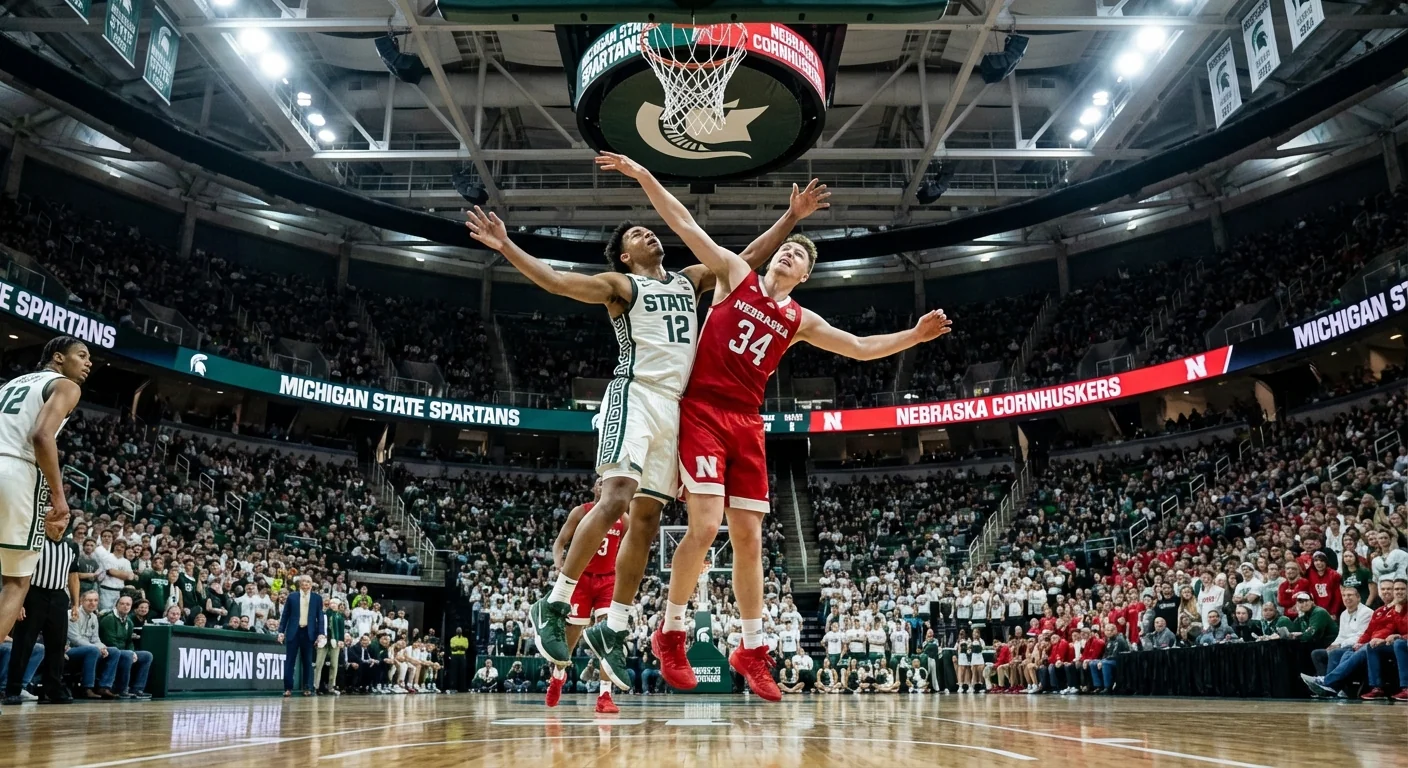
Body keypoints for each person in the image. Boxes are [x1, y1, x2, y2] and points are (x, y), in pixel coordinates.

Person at [604, 153, 950, 704]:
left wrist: (913, 336)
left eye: (797, 257)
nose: (788, 253)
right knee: (705, 524)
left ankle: (753, 647)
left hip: (747, 422)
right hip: (702, 412)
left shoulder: (801, 319)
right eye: (786, 248)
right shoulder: (734, 277)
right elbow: (685, 224)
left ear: (805, 275)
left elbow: (860, 348)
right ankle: (670, 631)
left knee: (750, 538)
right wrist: (644, 176)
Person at [466, 179, 826, 686]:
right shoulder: (621, 287)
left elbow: (743, 261)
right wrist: (507, 246)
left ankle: (614, 629)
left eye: (649, 230)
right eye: (636, 234)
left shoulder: (687, 281)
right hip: (635, 394)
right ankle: (555, 602)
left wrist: (790, 220)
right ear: (624, 256)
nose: (649, 234)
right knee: (614, 496)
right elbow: (555, 281)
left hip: (677, 411)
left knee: (649, 518)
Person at [0, 337, 89, 650]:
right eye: (82, 355)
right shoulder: (65, 385)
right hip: (15, 471)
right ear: (58, 358)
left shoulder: (11, 384)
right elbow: (41, 435)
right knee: (16, 581)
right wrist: (58, 496)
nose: (88, 363)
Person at [544, 479, 625, 714]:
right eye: (600, 483)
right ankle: (558, 676)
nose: (604, 486)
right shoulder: (582, 512)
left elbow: (634, 545)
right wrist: (559, 563)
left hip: (608, 580)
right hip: (580, 578)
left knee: (608, 636)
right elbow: (560, 542)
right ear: (594, 488)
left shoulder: (623, 517)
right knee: (570, 637)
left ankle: (605, 695)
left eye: (607, 483)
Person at [4, 515, 78, 704]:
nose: (61, 527)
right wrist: (18, 602)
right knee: (23, 644)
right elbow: (22, 574)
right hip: (33, 595)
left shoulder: (72, 546)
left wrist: (76, 603)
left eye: (65, 523)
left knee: (57, 647)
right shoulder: (35, 543)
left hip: (59, 597)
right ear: (46, 522)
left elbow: (73, 576)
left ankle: (52, 690)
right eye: (57, 522)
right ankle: (13, 689)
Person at [1302, 578, 1408, 700]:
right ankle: (1337, 688)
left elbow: (1391, 629)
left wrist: (1388, 637)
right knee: (1344, 652)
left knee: (1370, 647)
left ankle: (1328, 681)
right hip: (1376, 641)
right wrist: (1360, 642)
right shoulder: (1380, 611)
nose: (1387, 592)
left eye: (1391, 589)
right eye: (1384, 589)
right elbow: (1368, 631)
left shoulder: (1394, 610)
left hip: (1387, 642)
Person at [277, 575, 326, 697]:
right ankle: (288, 688)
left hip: (309, 632)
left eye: (308, 581)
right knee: (290, 661)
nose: (306, 584)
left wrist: (321, 633)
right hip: (294, 631)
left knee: (308, 662)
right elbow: (285, 615)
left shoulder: (317, 598)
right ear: (299, 583)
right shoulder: (292, 597)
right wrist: (281, 631)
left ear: (312, 584)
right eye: (304, 581)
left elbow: (320, 617)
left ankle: (307, 687)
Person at [98, 595, 152, 699]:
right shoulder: (109, 619)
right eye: (122, 604)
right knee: (127, 655)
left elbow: (129, 641)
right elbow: (109, 641)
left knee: (147, 655)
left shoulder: (129, 621)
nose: (125, 606)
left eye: (128, 604)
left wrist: (133, 652)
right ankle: (121, 689)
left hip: (123, 650)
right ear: (116, 605)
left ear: (131, 607)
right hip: (109, 650)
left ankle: (137, 688)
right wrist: (129, 652)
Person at [1314, 585, 1374, 677]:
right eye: (1344, 595)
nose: (1346, 598)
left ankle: (1330, 685)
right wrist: (1333, 645)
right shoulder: (1343, 614)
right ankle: (1322, 681)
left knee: (1335, 652)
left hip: (1357, 646)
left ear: (1358, 598)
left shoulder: (1366, 612)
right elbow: (1341, 635)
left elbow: (1361, 635)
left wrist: (1339, 645)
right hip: (1343, 646)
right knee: (1317, 654)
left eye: (1350, 595)